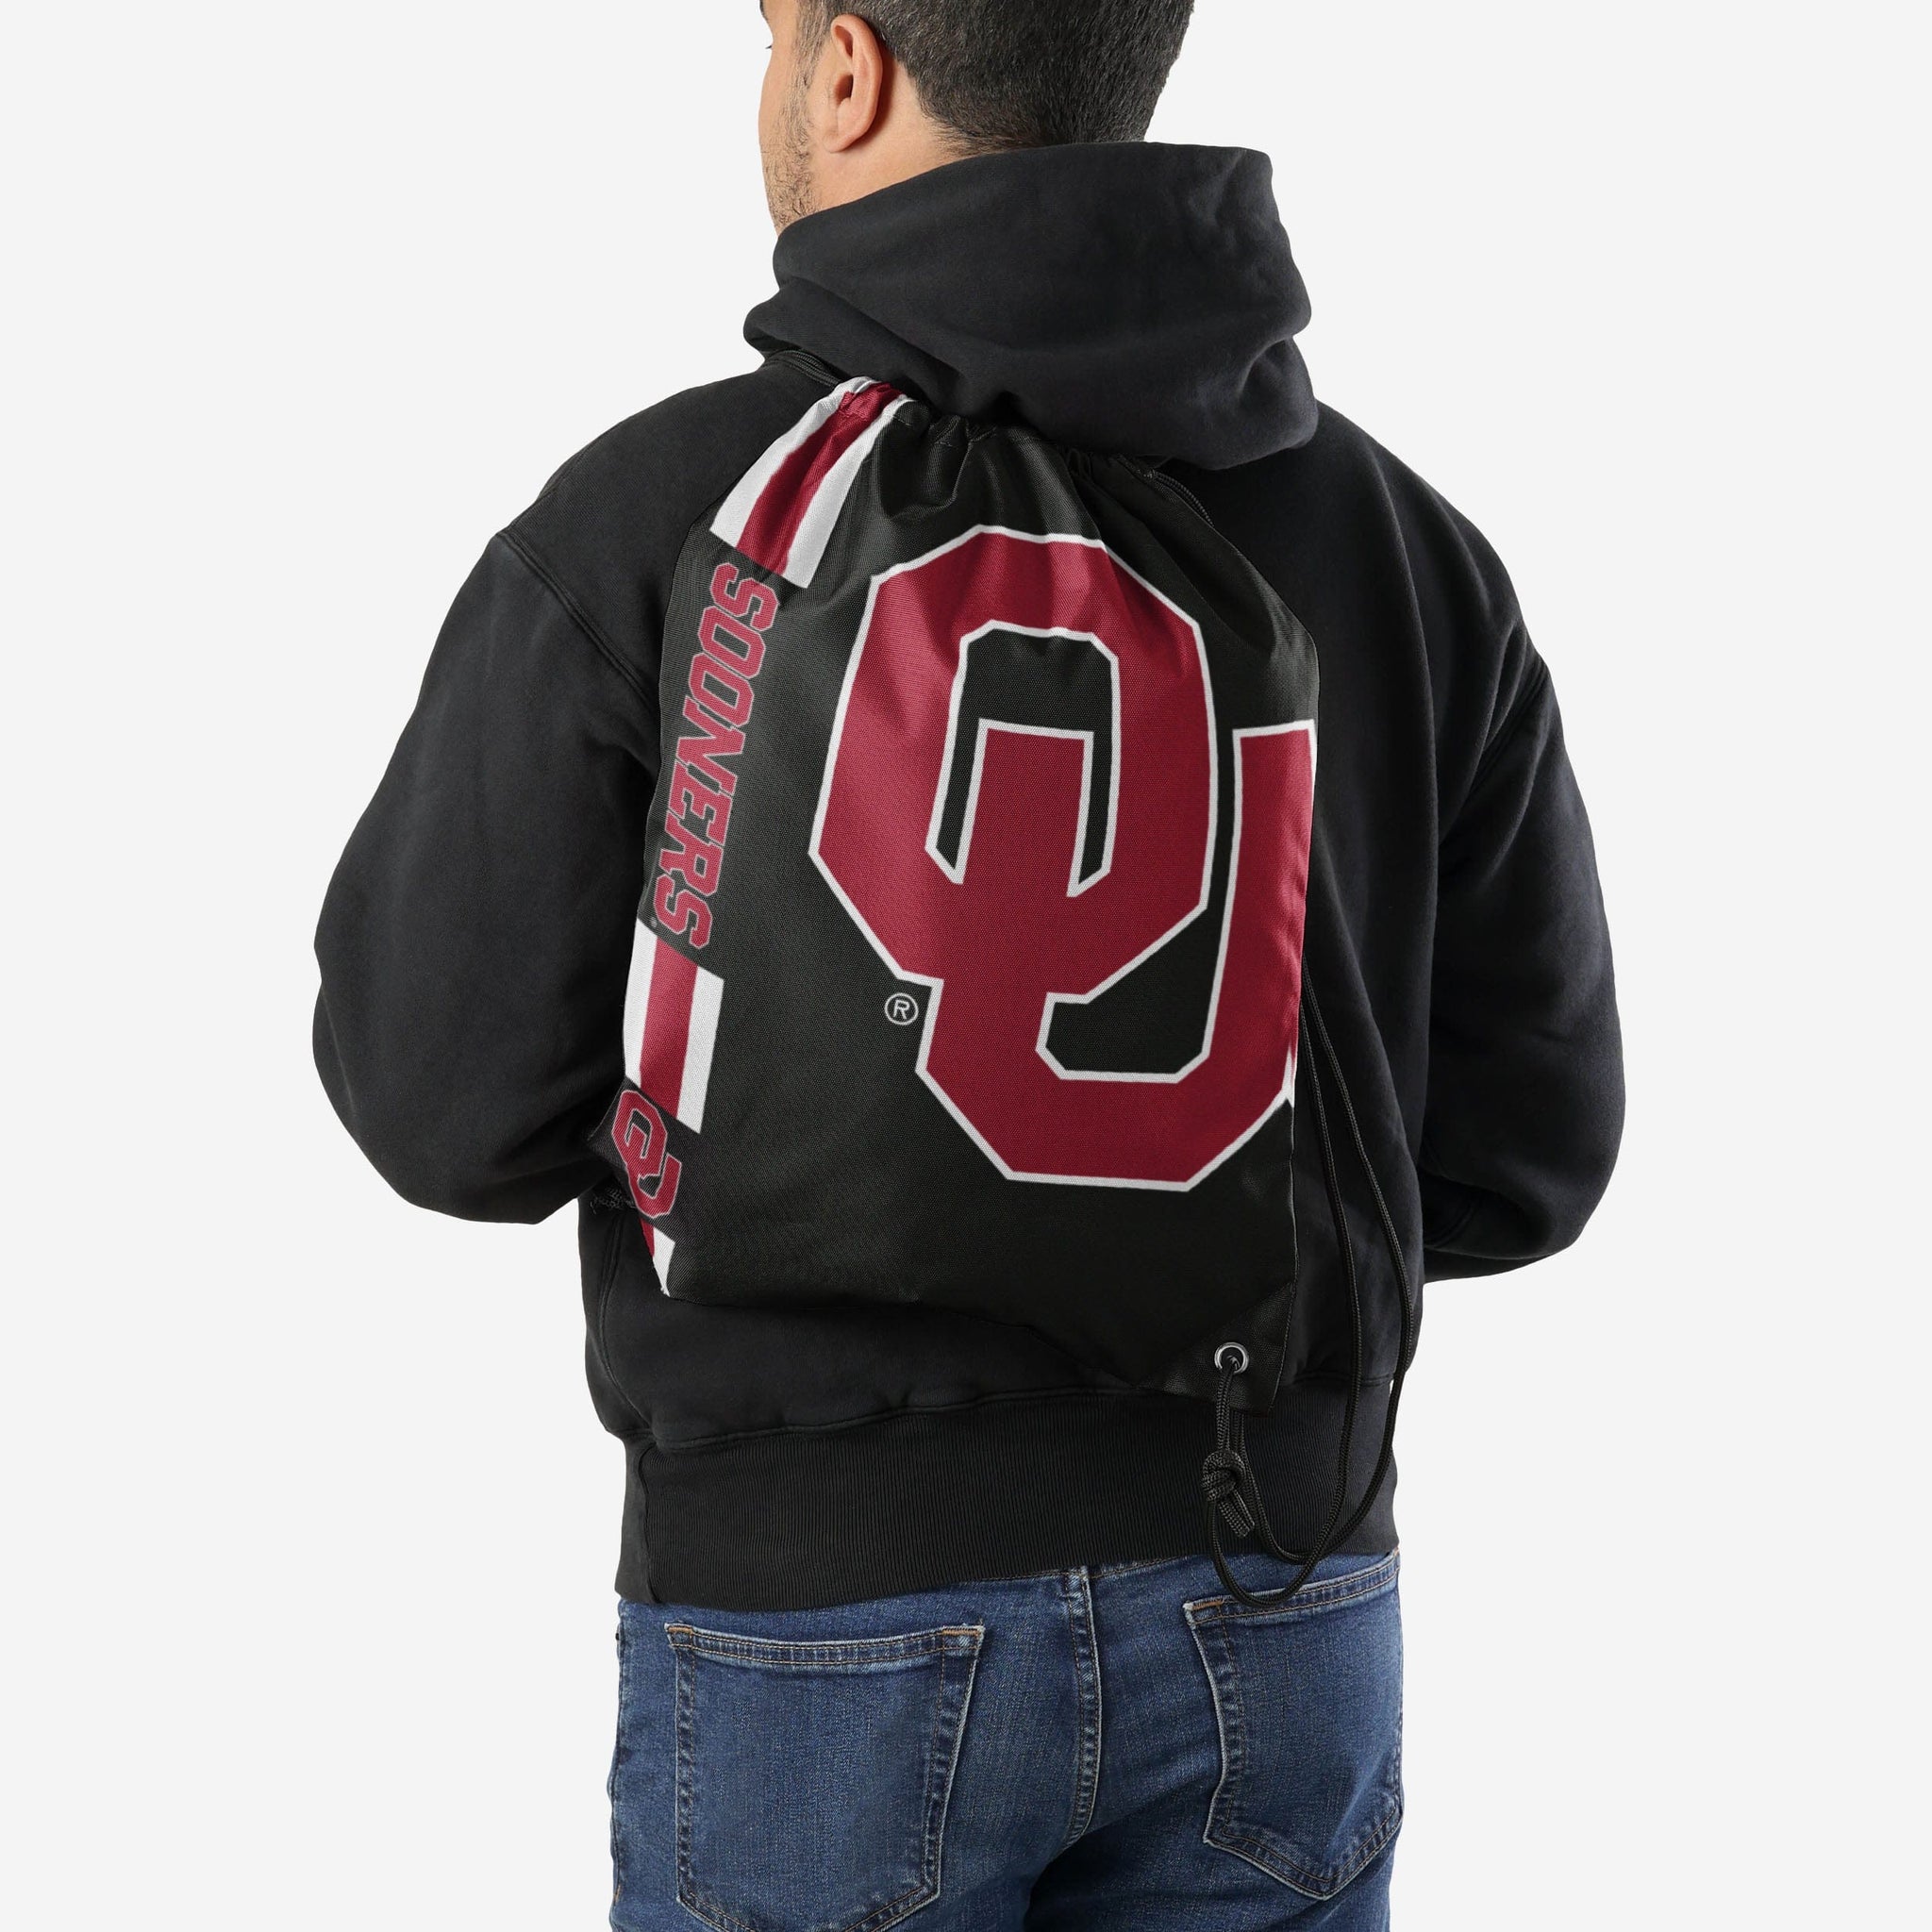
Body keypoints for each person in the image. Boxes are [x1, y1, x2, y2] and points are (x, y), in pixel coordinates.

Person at [312, 2, 1624, 1924]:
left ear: (847, 69)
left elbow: (443, 1107)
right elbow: (1523, 1160)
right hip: (1280, 1594)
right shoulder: (1407, 547)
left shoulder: (665, 519)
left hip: (819, 1613)